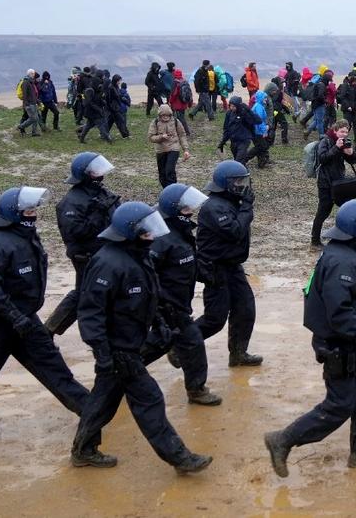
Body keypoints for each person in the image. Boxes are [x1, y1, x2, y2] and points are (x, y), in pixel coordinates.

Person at [70, 202, 212, 473]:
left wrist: (159, 323)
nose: (152, 236)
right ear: (130, 232)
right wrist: (103, 353)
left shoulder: (138, 255)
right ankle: (180, 458)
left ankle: (83, 450)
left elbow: (150, 294)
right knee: (150, 399)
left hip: (130, 344)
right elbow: (90, 312)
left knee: (102, 401)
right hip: (118, 349)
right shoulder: (108, 263)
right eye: (146, 232)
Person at [264, 200, 356, 477]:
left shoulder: (351, 254)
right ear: (355, 230)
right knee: (340, 404)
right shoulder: (342, 262)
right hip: (341, 345)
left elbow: (354, 297)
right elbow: (339, 314)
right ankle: (283, 439)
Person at [0, 187, 90, 441]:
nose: (34, 214)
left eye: (33, 210)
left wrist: (22, 318)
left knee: (53, 365)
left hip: (26, 320)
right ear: (13, 213)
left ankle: (88, 408)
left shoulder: (26, 237)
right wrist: (13, 316)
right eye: (28, 211)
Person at [144, 183, 222, 405]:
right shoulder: (161, 238)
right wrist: (159, 304)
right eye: (187, 209)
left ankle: (196, 389)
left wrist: (207, 276)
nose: (191, 212)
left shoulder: (181, 232)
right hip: (167, 305)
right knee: (182, 342)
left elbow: (187, 264)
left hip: (178, 303)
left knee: (182, 343)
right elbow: (147, 274)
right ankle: (119, 373)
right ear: (174, 210)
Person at [44, 153, 121, 335]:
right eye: (96, 171)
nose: (101, 174)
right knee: (83, 294)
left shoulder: (101, 192)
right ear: (85, 174)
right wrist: (97, 214)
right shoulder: (71, 201)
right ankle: (47, 331)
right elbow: (75, 232)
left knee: (104, 292)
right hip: (86, 255)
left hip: (106, 252)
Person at [196, 160, 262, 367]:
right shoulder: (214, 206)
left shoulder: (232, 201)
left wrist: (244, 206)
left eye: (244, 181)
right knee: (215, 319)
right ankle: (179, 345)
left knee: (245, 309)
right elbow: (235, 231)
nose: (242, 186)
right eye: (238, 182)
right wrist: (247, 208)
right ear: (226, 183)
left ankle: (238, 353)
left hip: (233, 266)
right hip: (215, 268)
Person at [311, 121, 356, 246]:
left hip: (339, 183)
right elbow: (322, 158)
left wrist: (351, 153)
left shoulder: (344, 142)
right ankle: (315, 240)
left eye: (346, 132)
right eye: (342, 131)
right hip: (326, 183)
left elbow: (353, 160)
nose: (344, 134)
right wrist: (336, 147)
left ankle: (350, 237)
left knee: (348, 209)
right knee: (323, 211)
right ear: (335, 130)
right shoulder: (325, 141)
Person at [148, 105, 191, 188]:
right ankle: (166, 189)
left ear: (170, 114)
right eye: (163, 115)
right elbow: (151, 137)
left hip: (173, 148)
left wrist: (186, 150)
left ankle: (172, 190)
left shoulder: (176, 121)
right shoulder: (155, 122)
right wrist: (161, 137)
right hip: (160, 150)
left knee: (169, 170)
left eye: (167, 115)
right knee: (162, 173)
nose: (165, 117)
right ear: (160, 115)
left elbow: (182, 135)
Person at [218, 96, 257, 163]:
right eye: (230, 106)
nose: (232, 108)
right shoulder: (229, 113)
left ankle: (241, 168)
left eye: (234, 106)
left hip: (244, 140)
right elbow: (226, 128)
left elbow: (252, 123)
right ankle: (242, 167)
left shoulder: (244, 113)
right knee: (237, 159)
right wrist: (223, 141)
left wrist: (253, 136)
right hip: (234, 140)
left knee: (239, 160)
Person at [168, 69, 193, 137]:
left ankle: (186, 132)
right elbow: (190, 94)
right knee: (181, 117)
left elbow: (173, 94)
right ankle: (180, 131)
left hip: (177, 104)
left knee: (180, 119)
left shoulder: (175, 83)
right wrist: (190, 103)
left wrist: (170, 102)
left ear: (175, 75)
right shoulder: (185, 82)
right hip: (184, 103)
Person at [17, 70, 42, 137]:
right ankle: (21, 126)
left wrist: (37, 101)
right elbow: (25, 94)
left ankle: (34, 132)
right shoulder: (25, 82)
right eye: (33, 73)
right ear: (30, 74)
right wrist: (26, 104)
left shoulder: (31, 82)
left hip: (33, 103)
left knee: (36, 118)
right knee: (33, 118)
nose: (34, 75)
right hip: (29, 104)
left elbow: (33, 94)